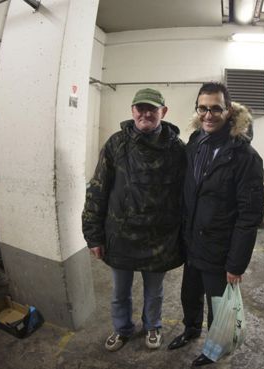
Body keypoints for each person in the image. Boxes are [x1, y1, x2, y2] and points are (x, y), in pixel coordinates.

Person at [168, 82, 264, 367]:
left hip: (219, 249)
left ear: (228, 110)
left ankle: (213, 348)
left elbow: (249, 216)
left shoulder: (245, 157)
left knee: (218, 305)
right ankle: (190, 329)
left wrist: (236, 264)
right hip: (192, 242)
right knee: (189, 293)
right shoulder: (196, 142)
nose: (208, 115)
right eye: (203, 108)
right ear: (197, 110)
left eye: (215, 109)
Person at [82, 88, 185, 352]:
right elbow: (97, 190)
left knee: (155, 291)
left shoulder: (177, 149)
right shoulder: (116, 144)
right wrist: (93, 235)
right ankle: (122, 329)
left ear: (164, 112)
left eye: (152, 108)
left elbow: (186, 195)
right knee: (119, 292)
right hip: (121, 236)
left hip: (160, 238)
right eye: (140, 108)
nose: (146, 113)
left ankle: (153, 327)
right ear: (132, 111)